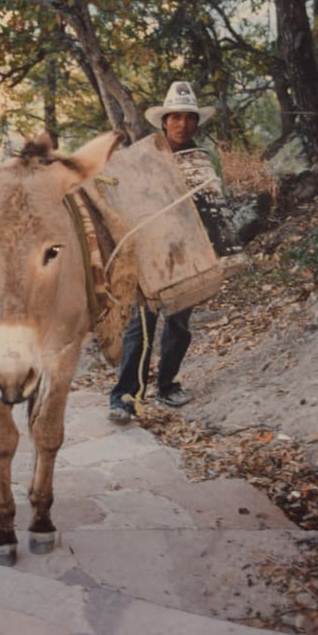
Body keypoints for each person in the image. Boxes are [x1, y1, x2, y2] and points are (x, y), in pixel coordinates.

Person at [108, 80, 224, 423]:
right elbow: (126, 197)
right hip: (150, 247)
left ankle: (168, 384)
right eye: (176, 118)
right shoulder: (144, 156)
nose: (182, 125)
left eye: (189, 118)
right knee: (140, 323)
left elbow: (214, 203)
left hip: (188, 248)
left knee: (180, 322)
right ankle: (126, 396)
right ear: (164, 120)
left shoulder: (204, 157)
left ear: (196, 122)